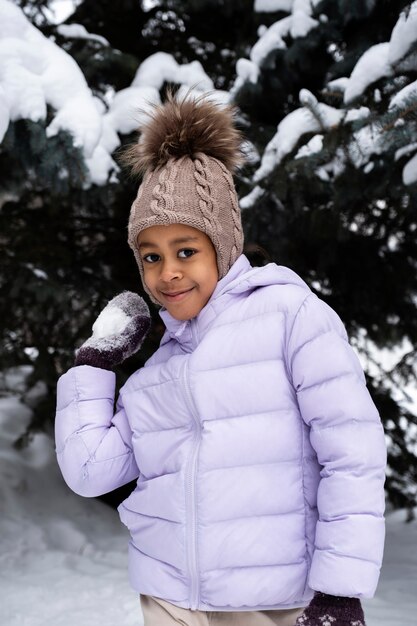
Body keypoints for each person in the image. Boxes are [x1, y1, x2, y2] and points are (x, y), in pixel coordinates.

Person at [55, 92, 387, 626]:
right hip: (171, 598)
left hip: (274, 599)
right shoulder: (156, 373)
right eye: (151, 257)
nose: (168, 273)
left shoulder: (290, 316)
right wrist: (92, 366)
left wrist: (340, 590)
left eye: (186, 251)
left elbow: (353, 451)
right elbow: (90, 471)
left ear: (223, 246)